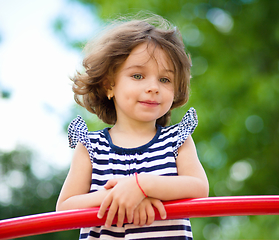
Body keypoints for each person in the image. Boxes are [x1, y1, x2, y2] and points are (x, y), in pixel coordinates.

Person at [56, 12, 209, 240]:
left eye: (165, 80)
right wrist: (123, 195)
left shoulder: (177, 140)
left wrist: (142, 186)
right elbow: (65, 208)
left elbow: (199, 188)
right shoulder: (90, 147)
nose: (153, 87)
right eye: (138, 75)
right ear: (109, 85)